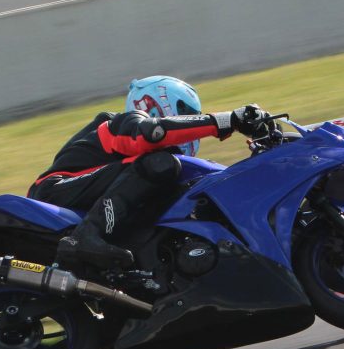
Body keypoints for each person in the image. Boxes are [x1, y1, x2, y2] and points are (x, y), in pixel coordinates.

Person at [28, 75, 268, 269]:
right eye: (185, 111)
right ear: (154, 102)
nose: (191, 119)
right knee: (160, 164)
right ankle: (86, 236)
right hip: (55, 191)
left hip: (95, 192)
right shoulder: (122, 122)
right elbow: (152, 133)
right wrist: (226, 120)